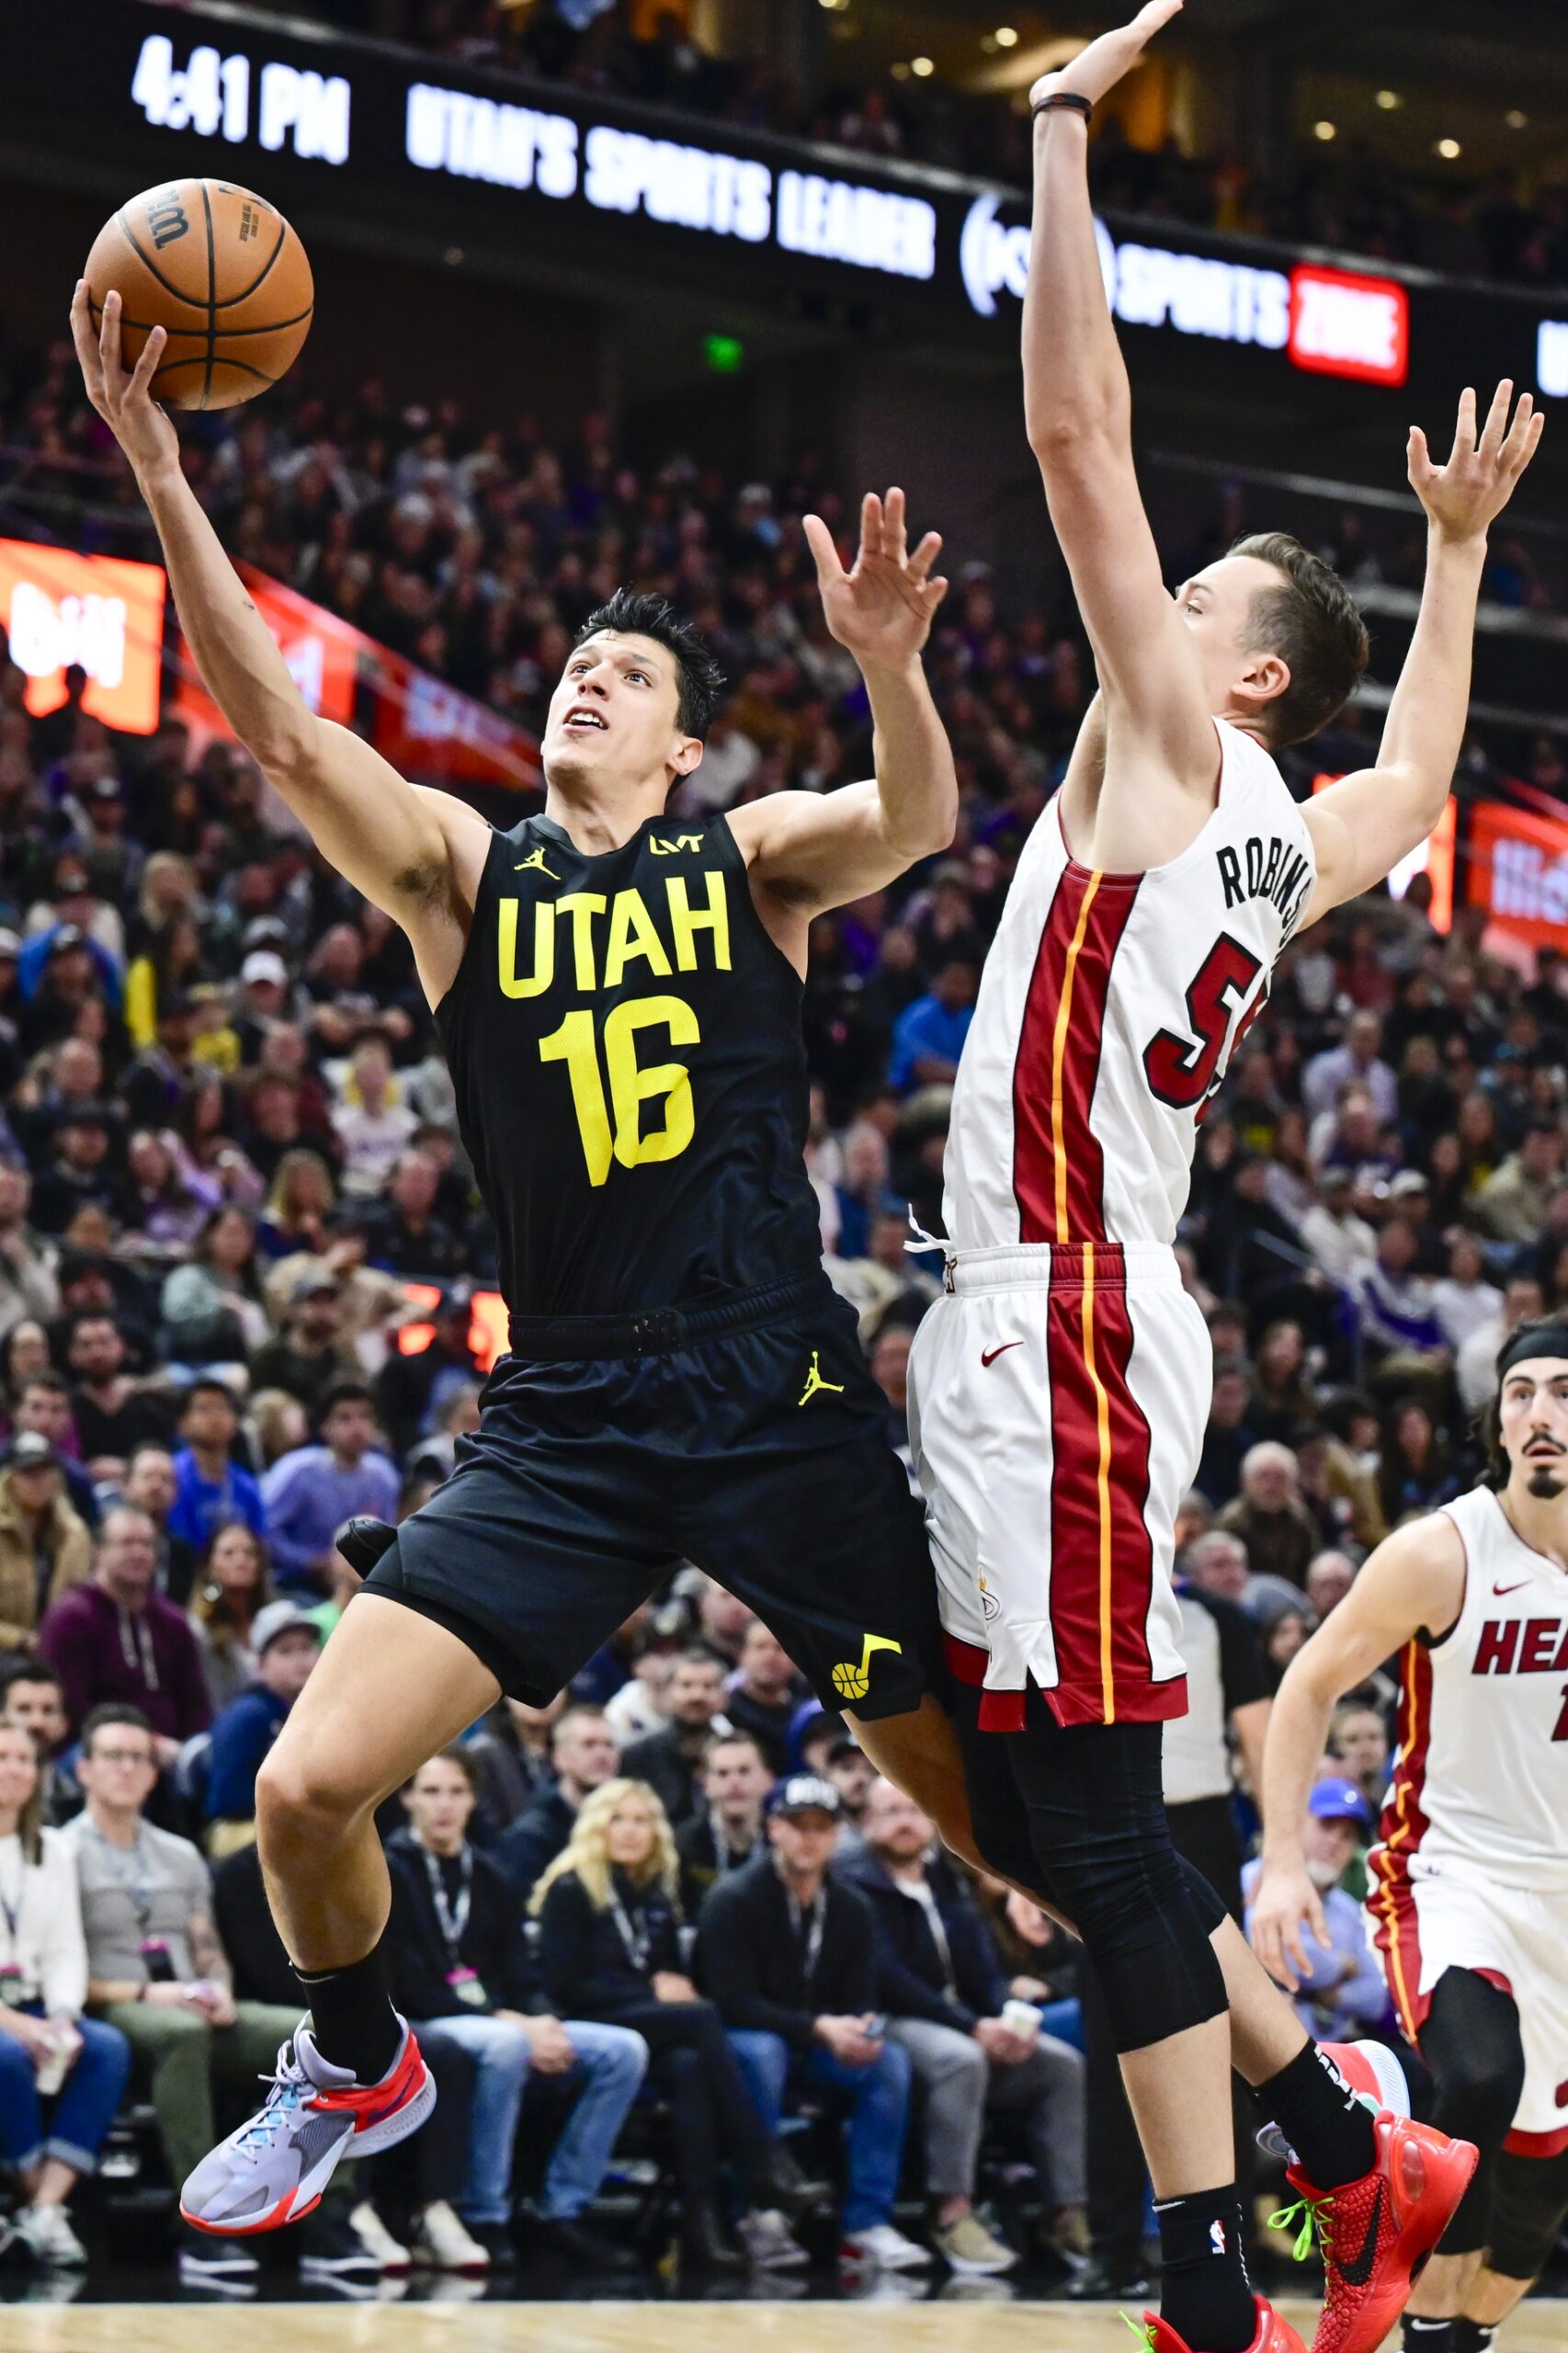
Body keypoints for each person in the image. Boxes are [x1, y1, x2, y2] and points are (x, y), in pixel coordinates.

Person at [77, 285, 972, 2233]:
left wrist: (891, 664)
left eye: (627, 676)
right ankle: (357, 2053)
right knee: (305, 1792)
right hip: (566, 1400)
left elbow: (920, 812)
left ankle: (1281, 2111)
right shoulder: (466, 872)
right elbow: (278, 726)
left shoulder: (745, 861)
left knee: (1006, 1838)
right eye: (576, 663)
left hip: (766, 1379)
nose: (586, 682)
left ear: (682, 740)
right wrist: (159, 465)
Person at [903, 7, 1533, 2345]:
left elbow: (1073, 428)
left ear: (1235, 681)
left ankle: (1283, 2191)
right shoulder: (1294, 826)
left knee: (1078, 1823)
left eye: (1194, 608)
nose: (1144, 620)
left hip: (1057, 1311)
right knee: (1020, 1800)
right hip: (1037, 1314)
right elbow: (1426, 773)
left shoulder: (1174, 753)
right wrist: (1452, 556)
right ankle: (1312, 2147)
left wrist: (1059, 129)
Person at [1249, 1319, 1568, 2353]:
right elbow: (1307, 1685)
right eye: (1518, 1393)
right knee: (1478, 2079)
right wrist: (1285, 1863)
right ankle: (1361, 2094)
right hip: (1450, 1874)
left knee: (1528, 2219)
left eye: (1560, 1391)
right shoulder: (1444, 1550)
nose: (1538, 1415)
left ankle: (1440, 2337)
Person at [59, 1705, 306, 2286]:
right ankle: (203, 2222)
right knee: (180, 2034)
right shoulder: (61, 1853)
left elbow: (208, 1946)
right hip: (114, 2004)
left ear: (154, 1772)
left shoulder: (181, 1853)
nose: (127, 1768)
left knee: (309, 2033)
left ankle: (330, 2211)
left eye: (139, 1757)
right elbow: (66, 1974)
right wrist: (153, 1991)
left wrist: (217, 1988)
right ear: (84, 1769)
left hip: (190, 2004)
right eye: (112, 1756)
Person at [533, 1778, 812, 2273]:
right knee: (701, 2019)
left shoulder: (655, 1894)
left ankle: (700, 2228)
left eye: (642, 1820)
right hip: (585, 2020)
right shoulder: (572, 1887)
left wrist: (661, 1990)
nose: (630, 1831)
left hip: (644, 2023)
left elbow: (661, 1972)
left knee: (688, 2068)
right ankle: (763, 2162)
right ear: (597, 1827)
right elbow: (564, 1984)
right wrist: (649, 1994)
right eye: (619, 1819)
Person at [387, 1749, 648, 2270]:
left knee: (624, 2050)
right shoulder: (389, 1869)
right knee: (504, 2046)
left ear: (473, 1800)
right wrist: (510, 2023)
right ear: (407, 1797)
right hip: (429, 2017)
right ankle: (485, 2211)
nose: (445, 1806)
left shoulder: (490, 1872)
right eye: (432, 1792)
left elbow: (521, 1972)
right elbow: (406, 1982)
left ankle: (561, 2208)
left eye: (457, 1792)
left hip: (500, 2017)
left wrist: (542, 2019)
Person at [843, 1777, 1085, 2275]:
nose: (905, 1821)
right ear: (866, 1823)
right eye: (889, 1811)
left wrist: (1005, 2020)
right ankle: (951, 2212)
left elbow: (982, 1968)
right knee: (962, 2058)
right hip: (894, 2020)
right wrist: (974, 2027)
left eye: (913, 1808)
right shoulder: (854, 1884)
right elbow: (889, 1979)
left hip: (963, 2022)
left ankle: (1066, 2212)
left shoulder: (946, 1880)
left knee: (1061, 2065)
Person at [698, 1773, 925, 2274]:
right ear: (773, 1829)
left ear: (837, 1835)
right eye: (797, 1825)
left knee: (887, 2061)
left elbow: (862, 1993)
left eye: (821, 1826)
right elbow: (729, 2001)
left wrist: (858, 2027)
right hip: (749, 2042)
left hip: (817, 2046)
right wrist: (819, 2027)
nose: (809, 1837)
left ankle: (867, 2224)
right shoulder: (733, 1899)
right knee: (762, 2052)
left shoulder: (851, 1906)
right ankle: (760, 2211)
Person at [0, 1719, 131, 2266]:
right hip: (6, 2019)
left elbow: (66, 1949)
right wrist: (18, 2025)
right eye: (2, 1756)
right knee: (7, 2057)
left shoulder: (53, 1848)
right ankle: (35, 2193)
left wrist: (60, 2015)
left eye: (24, 1759)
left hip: (34, 2000)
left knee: (104, 2048)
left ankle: (45, 2210)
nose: (13, 1768)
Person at [37, 1506, 210, 1759]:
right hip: (91, 1749)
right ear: (99, 1551)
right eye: (127, 1544)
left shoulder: (173, 1622)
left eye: (147, 1544)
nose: (139, 1553)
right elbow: (70, 1708)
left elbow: (196, 1706)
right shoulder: (71, 1618)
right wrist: (145, 1744)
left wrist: (191, 1750)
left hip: (169, 1755)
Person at [1243, 1780, 1389, 2047]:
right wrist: (1340, 1965)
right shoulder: (1252, 1880)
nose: (1335, 1842)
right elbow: (1280, 1955)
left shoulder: (1349, 1910)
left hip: (1333, 2051)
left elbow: (1377, 1997)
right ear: (1298, 1825)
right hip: (1262, 2048)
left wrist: (1331, 1997)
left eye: (1347, 1836)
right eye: (1326, 1826)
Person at [203, 1601, 323, 1857]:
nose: (301, 1659)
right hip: (241, 1830)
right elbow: (228, 1800)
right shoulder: (247, 1716)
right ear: (259, 1664)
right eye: (285, 1651)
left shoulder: (315, 1712)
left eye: (306, 1648)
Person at [258, 1381, 398, 1595]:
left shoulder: (384, 1476)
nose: (357, 1427)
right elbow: (266, 1530)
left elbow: (389, 1535)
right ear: (324, 1426)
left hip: (362, 1585)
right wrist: (311, 1562)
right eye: (345, 1418)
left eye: (365, 1416)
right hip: (297, 1584)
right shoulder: (297, 1471)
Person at [495, 1704, 620, 1900]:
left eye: (609, 1744)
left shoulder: (629, 1822)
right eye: (589, 1744)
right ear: (560, 1757)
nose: (602, 1754)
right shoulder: (532, 1836)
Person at [0, 1429, 93, 1653]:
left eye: (45, 1470)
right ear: (10, 1478)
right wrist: (22, 1641)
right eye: (28, 1472)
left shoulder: (75, 1534)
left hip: (60, 1653)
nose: (38, 1480)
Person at [619, 1647, 731, 1826]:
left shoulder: (737, 1756)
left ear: (724, 1696)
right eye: (686, 1685)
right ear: (668, 1692)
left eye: (708, 1686)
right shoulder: (636, 1756)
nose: (697, 1695)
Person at [676, 1729, 772, 1916]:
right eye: (722, 1773)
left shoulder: (783, 1841)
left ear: (767, 1779)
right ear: (705, 1785)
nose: (734, 1782)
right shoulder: (682, 1845)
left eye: (744, 1771)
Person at [167, 1380, 267, 1558]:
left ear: (236, 1422)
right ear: (182, 1423)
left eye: (222, 1408)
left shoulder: (247, 1485)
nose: (215, 1416)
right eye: (204, 1409)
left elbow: (260, 1545)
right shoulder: (170, 1476)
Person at [187, 1522, 272, 1716]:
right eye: (229, 1553)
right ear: (210, 1565)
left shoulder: (273, 1619)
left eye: (250, 1553)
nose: (241, 1560)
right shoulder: (198, 1629)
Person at [722, 1619, 806, 1774]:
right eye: (760, 1647)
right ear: (742, 1655)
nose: (770, 1656)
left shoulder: (808, 1714)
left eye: (779, 1648)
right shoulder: (725, 1712)